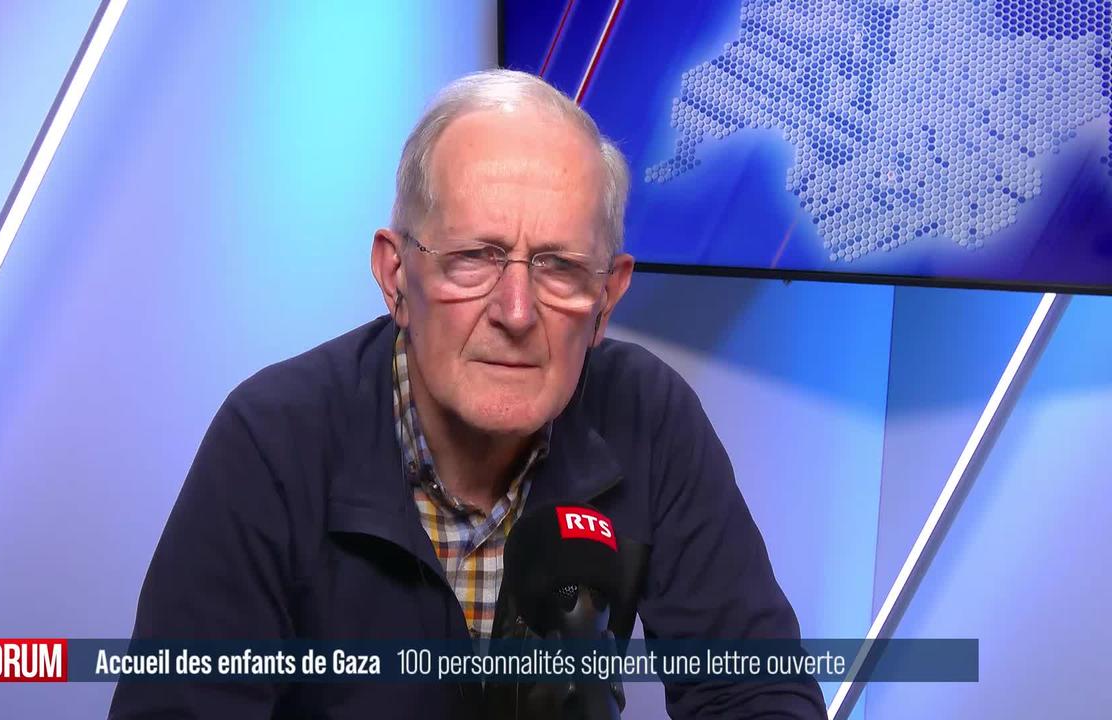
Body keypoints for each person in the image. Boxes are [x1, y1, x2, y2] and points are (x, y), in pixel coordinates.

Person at [109, 69, 827, 719]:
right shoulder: (272, 440)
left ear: (606, 298)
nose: (516, 312)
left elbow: (757, 692)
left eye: (559, 267)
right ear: (396, 276)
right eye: (474, 258)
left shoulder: (648, 416)